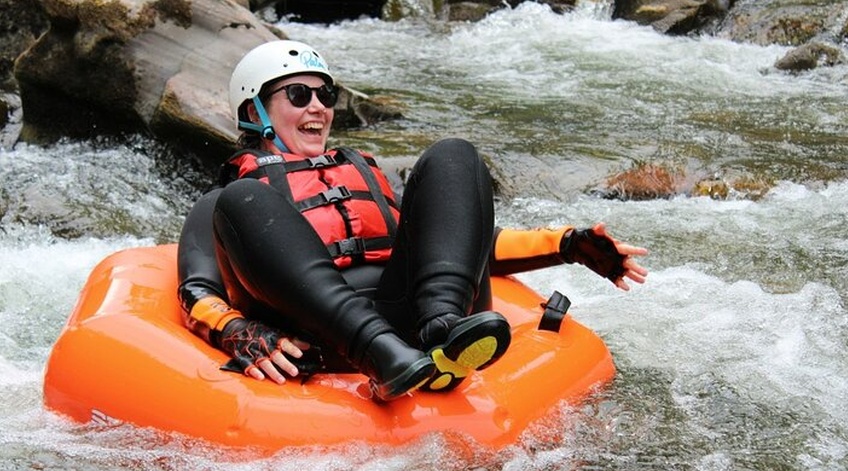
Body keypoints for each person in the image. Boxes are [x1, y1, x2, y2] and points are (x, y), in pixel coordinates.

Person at [177, 40, 648, 403]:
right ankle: (384, 355)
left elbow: (460, 244)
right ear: (254, 111)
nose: (318, 107)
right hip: (321, 339)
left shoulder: (361, 171)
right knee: (243, 197)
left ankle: (442, 332)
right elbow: (196, 291)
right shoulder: (227, 200)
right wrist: (237, 331)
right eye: (299, 95)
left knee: (454, 155)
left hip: (413, 323)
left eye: (326, 94)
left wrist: (568, 244)